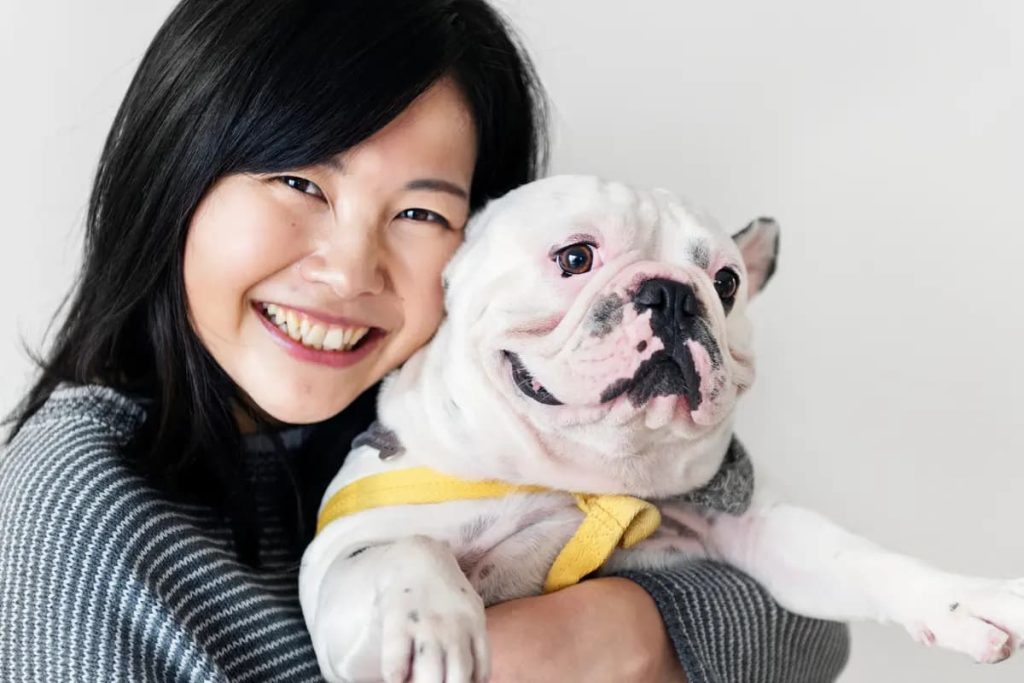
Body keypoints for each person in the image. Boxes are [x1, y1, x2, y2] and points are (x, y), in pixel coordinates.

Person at [0, 0, 849, 680]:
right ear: (173, 170)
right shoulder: (80, 511)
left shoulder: (484, 408)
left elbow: (812, 627)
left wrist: (602, 635)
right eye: (299, 181)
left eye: (420, 213)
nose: (348, 268)